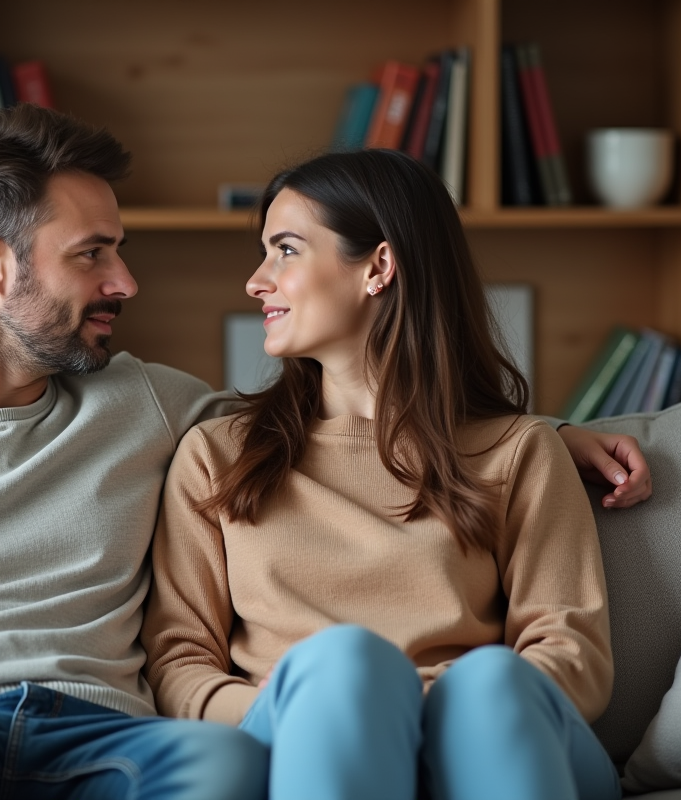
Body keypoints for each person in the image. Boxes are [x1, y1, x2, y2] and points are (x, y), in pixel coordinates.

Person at [0, 106, 644, 800]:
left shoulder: (150, 405)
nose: (126, 280)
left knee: (227, 763)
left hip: (105, 743)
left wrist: (550, 437)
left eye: (120, 249)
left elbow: (357, 421)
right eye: (92, 254)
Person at [142, 149, 623, 800]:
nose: (256, 281)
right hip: (304, 737)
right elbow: (178, 662)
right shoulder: (216, 457)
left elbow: (572, 654)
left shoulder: (521, 452)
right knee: (344, 665)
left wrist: (412, 710)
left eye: (286, 251)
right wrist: (311, 705)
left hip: (487, 737)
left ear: (378, 267)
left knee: (488, 682)